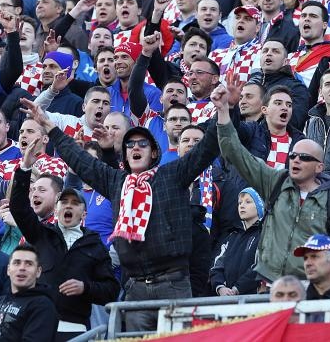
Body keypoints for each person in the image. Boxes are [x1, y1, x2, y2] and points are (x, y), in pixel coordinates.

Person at [20, 96, 220, 332]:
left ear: (155, 153)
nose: (135, 147)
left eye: (143, 144)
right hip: (134, 287)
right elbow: (80, 160)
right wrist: (49, 125)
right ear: (124, 155)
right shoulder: (118, 182)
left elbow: (206, 149)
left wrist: (225, 111)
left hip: (173, 284)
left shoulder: (172, 174)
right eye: (130, 145)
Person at [211, 83, 330, 286]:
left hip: (309, 288)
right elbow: (235, 152)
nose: (295, 160)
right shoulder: (276, 183)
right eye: (293, 155)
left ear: (319, 167)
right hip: (267, 286)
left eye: (304, 157)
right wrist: (224, 110)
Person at [11, 143, 119, 340]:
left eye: (75, 203)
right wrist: (24, 168)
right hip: (38, 325)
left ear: (84, 213)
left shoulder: (94, 245)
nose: (69, 206)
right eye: (64, 202)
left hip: (76, 328)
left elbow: (111, 290)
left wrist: (85, 287)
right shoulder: (41, 234)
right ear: (57, 209)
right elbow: (18, 208)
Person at [0, 244, 59, 341]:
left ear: (38, 272)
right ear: (8, 269)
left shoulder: (43, 305)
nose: (22, 268)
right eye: (16, 263)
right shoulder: (0, 300)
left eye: (28, 264)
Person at [210, 188, 264, 297]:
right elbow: (217, 265)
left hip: (253, 299)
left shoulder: (264, 234)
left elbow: (261, 266)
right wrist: (220, 287)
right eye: (240, 203)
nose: (242, 205)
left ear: (260, 205)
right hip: (227, 298)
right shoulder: (232, 235)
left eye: (248, 202)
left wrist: (237, 288)